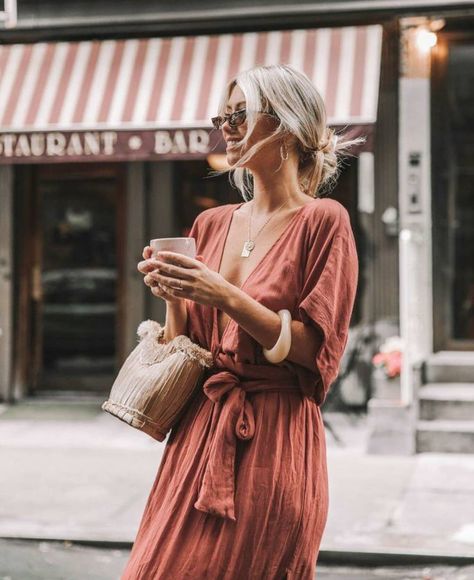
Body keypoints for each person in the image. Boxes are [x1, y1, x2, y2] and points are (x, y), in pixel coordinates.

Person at [122, 64, 361, 579]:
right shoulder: (210, 223)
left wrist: (224, 294)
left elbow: (313, 351)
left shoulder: (324, 221)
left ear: (288, 125)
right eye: (223, 115)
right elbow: (189, 348)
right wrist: (174, 297)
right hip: (198, 435)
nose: (226, 126)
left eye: (241, 113)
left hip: (274, 437)